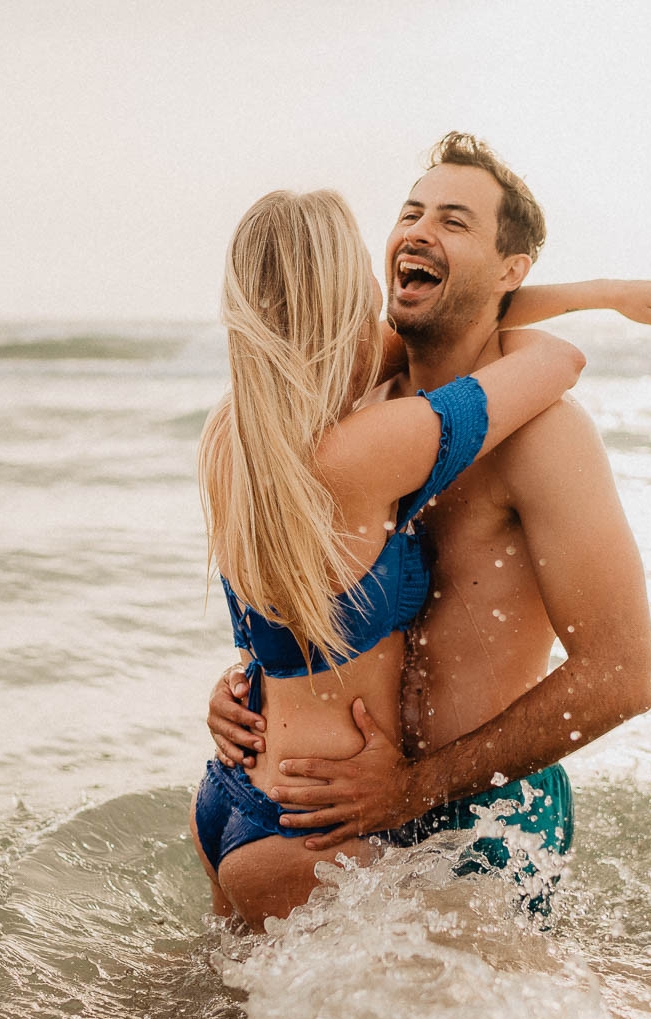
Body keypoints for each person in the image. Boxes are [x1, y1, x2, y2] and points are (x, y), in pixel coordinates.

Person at [207, 132, 651, 918]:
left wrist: (415, 787)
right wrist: (254, 681)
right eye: (410, 213)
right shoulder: (362, 399)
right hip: (335, 821)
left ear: (511, 270)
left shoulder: (546, 437)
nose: (417, 231)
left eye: (453, 221)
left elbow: (621, 676)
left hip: (478, 822)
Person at [192, 188, 588, 929]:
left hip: (231, 796)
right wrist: (565, 297)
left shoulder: (232, 433)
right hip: (313, 825)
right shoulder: (368, 449)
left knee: (220, 1004)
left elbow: (437, 331)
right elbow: (558, 361)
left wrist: (602, 291)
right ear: (348, 301)